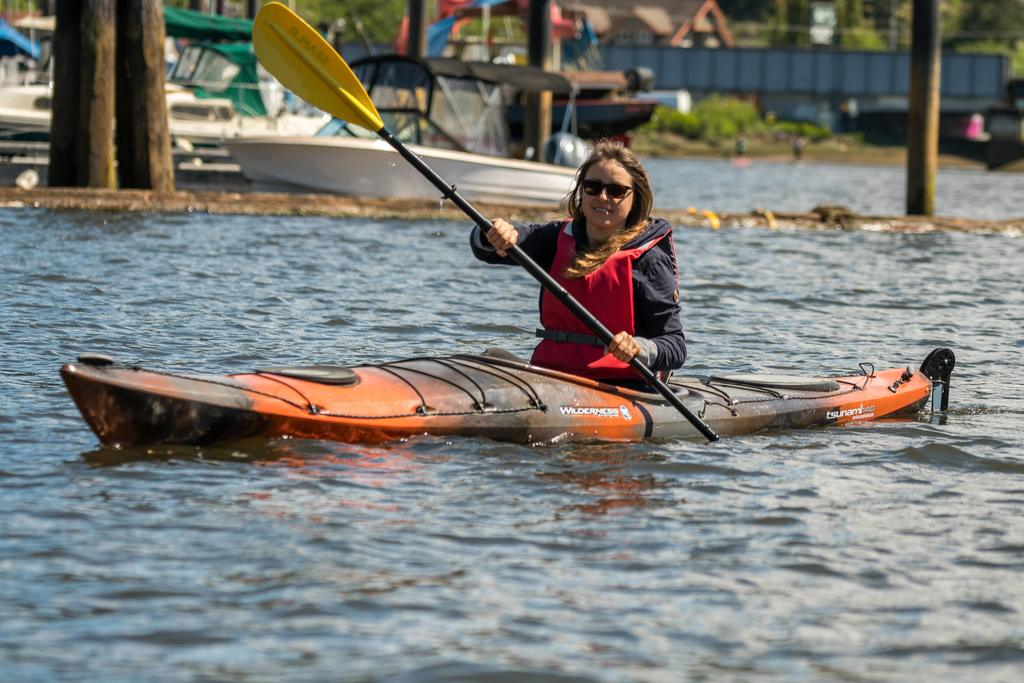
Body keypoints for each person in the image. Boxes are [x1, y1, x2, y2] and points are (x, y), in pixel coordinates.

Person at [470, 141, 686, 385]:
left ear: (634, 199)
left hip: (618, 384)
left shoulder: (650, 260)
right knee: (490, 358)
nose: (602, 197)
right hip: (550, 373)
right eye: (592, 187)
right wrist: (495, 233)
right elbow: (487, 250)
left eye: (616, 191)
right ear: (582, 191)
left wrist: (640, 348)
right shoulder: (555, 238)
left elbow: (675, 346)